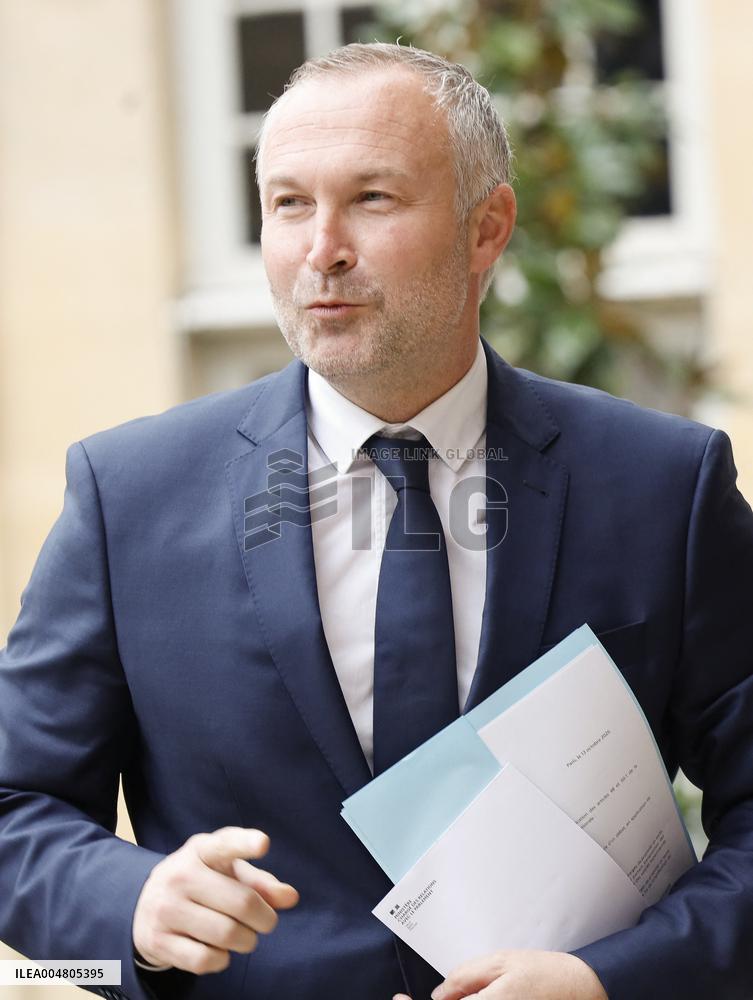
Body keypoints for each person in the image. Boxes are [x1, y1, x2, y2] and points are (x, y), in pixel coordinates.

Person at [1, 40, 752, 1000]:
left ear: (487, 229)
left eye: (373, 198)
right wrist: (134, 910)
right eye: (288, 204)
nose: (322, 250)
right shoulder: (126, 495)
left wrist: (611, 982)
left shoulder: (662, 486)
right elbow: (13, 806)